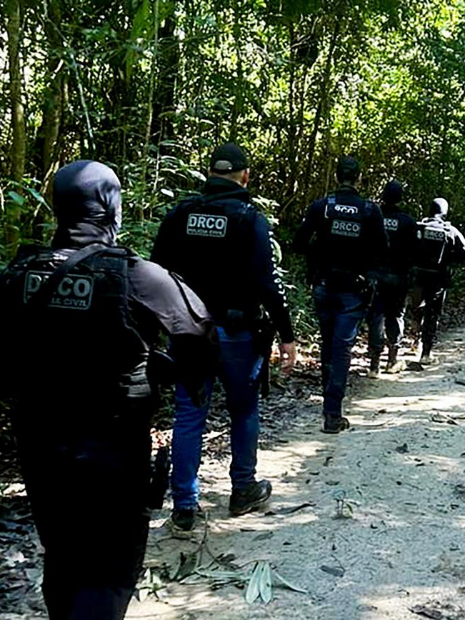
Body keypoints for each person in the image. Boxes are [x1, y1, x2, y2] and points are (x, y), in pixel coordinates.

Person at [0, 161, 217, 620]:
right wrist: (174, 376)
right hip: (112, 448)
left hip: (39, 443)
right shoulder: (133, 275)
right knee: (109, 570)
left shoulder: (20, 272)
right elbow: (197, 331)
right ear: (109, 207)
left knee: (62, 554)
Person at [151, 142, 296, 534]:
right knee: (244, 411)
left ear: (208, 174)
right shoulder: (250, 219)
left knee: (188, 414)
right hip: (238, 334)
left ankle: (184, 506)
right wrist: (287, 336)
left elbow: (155, 275)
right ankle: (243, 488)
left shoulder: (180, 214)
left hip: (187, 334)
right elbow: (267, 283)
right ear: (245, 176)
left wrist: (158, 328)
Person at [294, 155, 388, 434]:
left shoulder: (321, 207)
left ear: (336, 177)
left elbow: (299, 243)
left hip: (324, 285)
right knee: (341, 348)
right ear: (358, 179)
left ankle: (329, 406)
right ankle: (332, 413)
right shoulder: (370, 211)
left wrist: (319, 254)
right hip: (353, 290)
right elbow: (382, 251)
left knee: (328, 345)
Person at [409, 197, 465, 363]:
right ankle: (426, 353)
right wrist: (449, 258)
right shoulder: (449, 230)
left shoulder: (418, 226)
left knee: (416, 309)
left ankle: (413, 343)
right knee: (432, 314)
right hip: (438, 277)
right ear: (444, 212)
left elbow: (406, 246)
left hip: (418, 276)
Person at [367, 180, 418, 377]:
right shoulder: (407, 221)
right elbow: (415, 252)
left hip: (374, 277)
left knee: (376, 316)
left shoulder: (372, 215)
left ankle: (373, 365)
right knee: (395, 317)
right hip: (398, 278)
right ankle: (392, 360)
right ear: (400, 198)